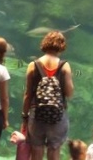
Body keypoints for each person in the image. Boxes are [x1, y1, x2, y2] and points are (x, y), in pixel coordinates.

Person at [21, 31, 74, 160]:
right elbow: (69, 93)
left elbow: (28, 94)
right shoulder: (64, 66)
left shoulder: (33, 65)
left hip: (36, 113)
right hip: (57, 115)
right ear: (61, 45)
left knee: (37, 149)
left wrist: (25, 116)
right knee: (54, 148)